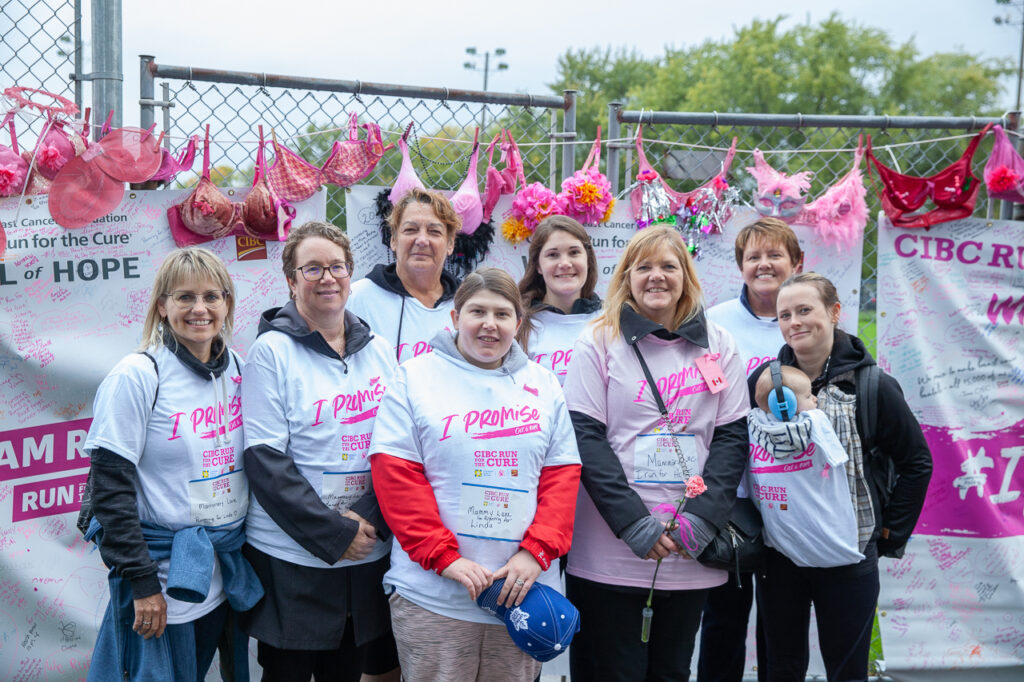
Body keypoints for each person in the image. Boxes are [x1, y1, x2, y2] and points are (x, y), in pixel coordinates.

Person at [369, 268, 582, 682]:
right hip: (435, 596)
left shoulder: (544, 385)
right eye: (477, 312)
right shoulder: (414, 377)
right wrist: (443, 556)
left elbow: (561, 478)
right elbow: (397, 477)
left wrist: (536, 551)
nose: (490, 324)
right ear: (454, 319)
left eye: (502, 314)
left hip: (521, 594)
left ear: (517, 324)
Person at [562, 225, 751, 681]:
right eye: (643, 267)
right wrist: (634, 524)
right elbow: (585, 437)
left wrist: (701, 521)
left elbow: (731, 438)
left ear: (686, 275)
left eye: (669, 266)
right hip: (610, 547)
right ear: (626, 277)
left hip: (691, 550)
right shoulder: (597, 340)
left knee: (671, 671)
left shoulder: (719, 344)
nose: (656, 276)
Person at [83, 248, 260, 681]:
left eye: (211, 297)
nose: (199, 309)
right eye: (184, 297)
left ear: (227, 304)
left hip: (220, 574)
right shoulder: (138, 375)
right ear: (162, 306)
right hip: (163, 578)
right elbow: (110, 490)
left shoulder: (238, 368)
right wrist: (144, 585)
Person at [748, 272, 932, 682]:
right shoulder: (765, 381)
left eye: (804, 310)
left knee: (847, 669)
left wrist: (890, 533)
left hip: (850, 553)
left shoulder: (872, 386)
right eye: (784, 315)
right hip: (782, 553)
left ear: (834, 313)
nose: (794, 321)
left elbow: (917, 462)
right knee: (780, 667)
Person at [240, 221, 399, 681]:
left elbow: (398, 446)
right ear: (291, 280)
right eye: (312, 269)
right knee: (287, 672)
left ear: (351, 275)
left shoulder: (380, 351)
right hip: (294, 556)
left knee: (347, 671)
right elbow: (265, 460)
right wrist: (333, 533)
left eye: (337, 266)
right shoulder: (272, 352)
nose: (327, 278)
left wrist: (367, 519)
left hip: (366, 546)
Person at [700, 216, 803, 682]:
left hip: (792, 494)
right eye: (753, 256)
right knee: (722, 621)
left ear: (796, 263)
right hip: (732, 495)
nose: (764, 264)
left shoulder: (805, 321)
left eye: (774, 255)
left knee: (783, 624)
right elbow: (705, 393)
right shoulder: (715, 322)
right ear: (740, 265)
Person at [748, 363, 866, 569]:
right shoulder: (817, 422)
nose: (815, 399)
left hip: (778, 541)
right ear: (783, 404)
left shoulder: (752, 426)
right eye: (808, 395)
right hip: (827, 538)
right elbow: (838, 458)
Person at [347, 187, 460, 363]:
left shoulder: (466, 303)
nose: (422, 240)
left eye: (434, 231)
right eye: (410, 230)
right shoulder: (357, 298)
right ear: (393, 239)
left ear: (450, 244)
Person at [516, 215, 602, 385]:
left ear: (588, 260)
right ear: (538, 266)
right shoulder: (517, 323)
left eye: (574, 252)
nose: (565, 263)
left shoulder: (611, 320)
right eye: (553, 255)